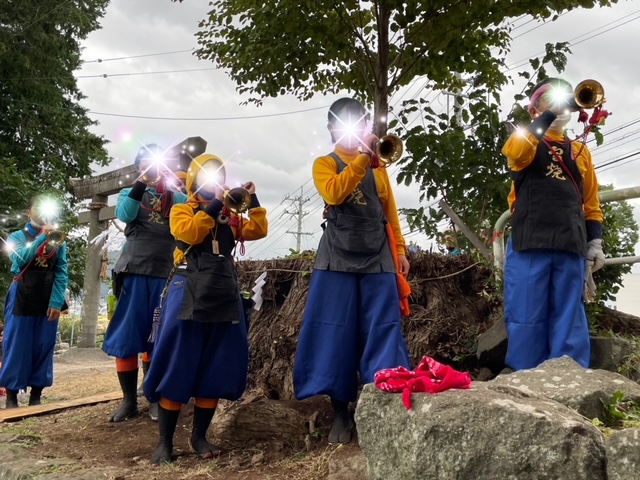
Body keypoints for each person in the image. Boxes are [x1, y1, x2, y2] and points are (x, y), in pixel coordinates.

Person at [293, 97, 412, 444]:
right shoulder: (324, 163)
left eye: (361, 123)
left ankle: (383, 404)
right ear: (332, 129)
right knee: (335, 332)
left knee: (383, 328)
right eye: (348, 124)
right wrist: (363, 157)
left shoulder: (380, 169)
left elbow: (390, 212)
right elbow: (335, 192)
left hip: (378, 255)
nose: (357, 131)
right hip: (337, 259)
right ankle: (341, 413)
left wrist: (400, 250)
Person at [143, 153, 268, 466]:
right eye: (208, 176)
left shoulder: (230, 212)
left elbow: (258, 230)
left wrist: (251, 200)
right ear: (196, 179)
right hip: (187, 288)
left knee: (216, 364)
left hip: (223, 289)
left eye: (219, 175)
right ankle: (164, 442)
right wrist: (214, 207)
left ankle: (199, 436)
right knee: (178, 362)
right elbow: (190, 234)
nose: (215, 182)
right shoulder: (181, 209)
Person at [502, 77, 605, 371]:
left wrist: (594, 242)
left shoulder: (581, 151)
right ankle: (526, 380)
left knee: (569, 317)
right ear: (535, 111)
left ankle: (569, 385)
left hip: (569, 241)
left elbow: (591, 203)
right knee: (526, 315)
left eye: (563, 103)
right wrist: (547, 117)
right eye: (550, 103)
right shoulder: (525, 139)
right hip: (529, 241)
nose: (561, 109)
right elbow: (517, 153)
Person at [102, 144, 188, 422]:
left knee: (158, 337)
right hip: (135, 270)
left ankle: (152, 395)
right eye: (145, 165)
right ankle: (128, 401)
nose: (151, 169)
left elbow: (192, 212)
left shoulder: (176, 197)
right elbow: (124, 214)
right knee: (128, 336)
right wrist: (142, 182)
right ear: (139, 168)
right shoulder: (130, 193)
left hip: (166, 273)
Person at [0, 195, 68, 408]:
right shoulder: (17, 236)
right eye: (36, 207)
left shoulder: (58, 239)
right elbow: (20, 258)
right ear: (28, 212)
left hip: (48, 295)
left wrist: (57, 302)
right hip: (22, 293)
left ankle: (36, 394)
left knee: (44, 344)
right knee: (16, 344)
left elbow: (61, 270)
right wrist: (41, 238)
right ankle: (11, 395)